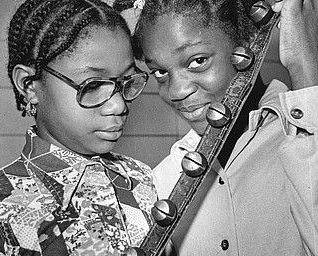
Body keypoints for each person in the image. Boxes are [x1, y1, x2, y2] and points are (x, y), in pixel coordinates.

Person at [131, 0, 318, 255]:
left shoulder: (299, 132)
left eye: (198, 61)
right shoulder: (164, 180)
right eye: (160, 73)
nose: (176, 91)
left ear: (249, 44)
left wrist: (304, 70)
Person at [0, 0, 157, 255]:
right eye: (92, 85)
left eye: (126, 81)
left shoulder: (141, 178)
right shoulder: (4, 204)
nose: (119, 105)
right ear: (29, 86)